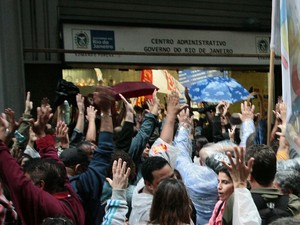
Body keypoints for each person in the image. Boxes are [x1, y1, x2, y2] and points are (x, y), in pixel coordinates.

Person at [0, 105, 85, 225]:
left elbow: (18, 183)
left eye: (30, 182)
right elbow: (56, 165)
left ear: (40, 186)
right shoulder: (69, 196)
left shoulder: (49, 207)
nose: (28, 186)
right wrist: (41, 134)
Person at [222, 144, 300, 225]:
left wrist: (239, 186)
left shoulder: (238, 199)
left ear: (249, 175)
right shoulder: (294, 203)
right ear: (275, 172)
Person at [129, 156, 175, 225]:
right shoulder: (148, 215)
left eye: (172, 176)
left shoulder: (147, 182)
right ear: (149, 185)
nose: (173, 183)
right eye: (165, 181)